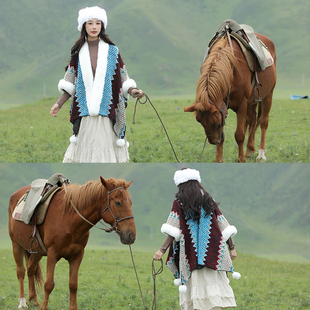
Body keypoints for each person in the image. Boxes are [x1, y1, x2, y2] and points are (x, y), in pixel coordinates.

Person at [50, 6, 144, 163]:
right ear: (83, 26)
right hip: (85, 113)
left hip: (108, 112)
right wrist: (58, 104)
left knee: (106, 153)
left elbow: (123, 77)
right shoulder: (77, 53)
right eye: (90, 23)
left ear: (102, 26)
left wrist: (133, 91)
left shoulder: (112, 51)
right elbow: (70, 82)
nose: (94, 27)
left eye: (98, 23)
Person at [153, 168, 240, 310]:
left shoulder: (179, 201)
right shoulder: (207, 198)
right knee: (214, 297)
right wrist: (232, 248)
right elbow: (223, 224)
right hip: (212, 254)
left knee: (195, 295)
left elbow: (172, 230)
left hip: (190, 256)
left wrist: (161, 250)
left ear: (181, 184)